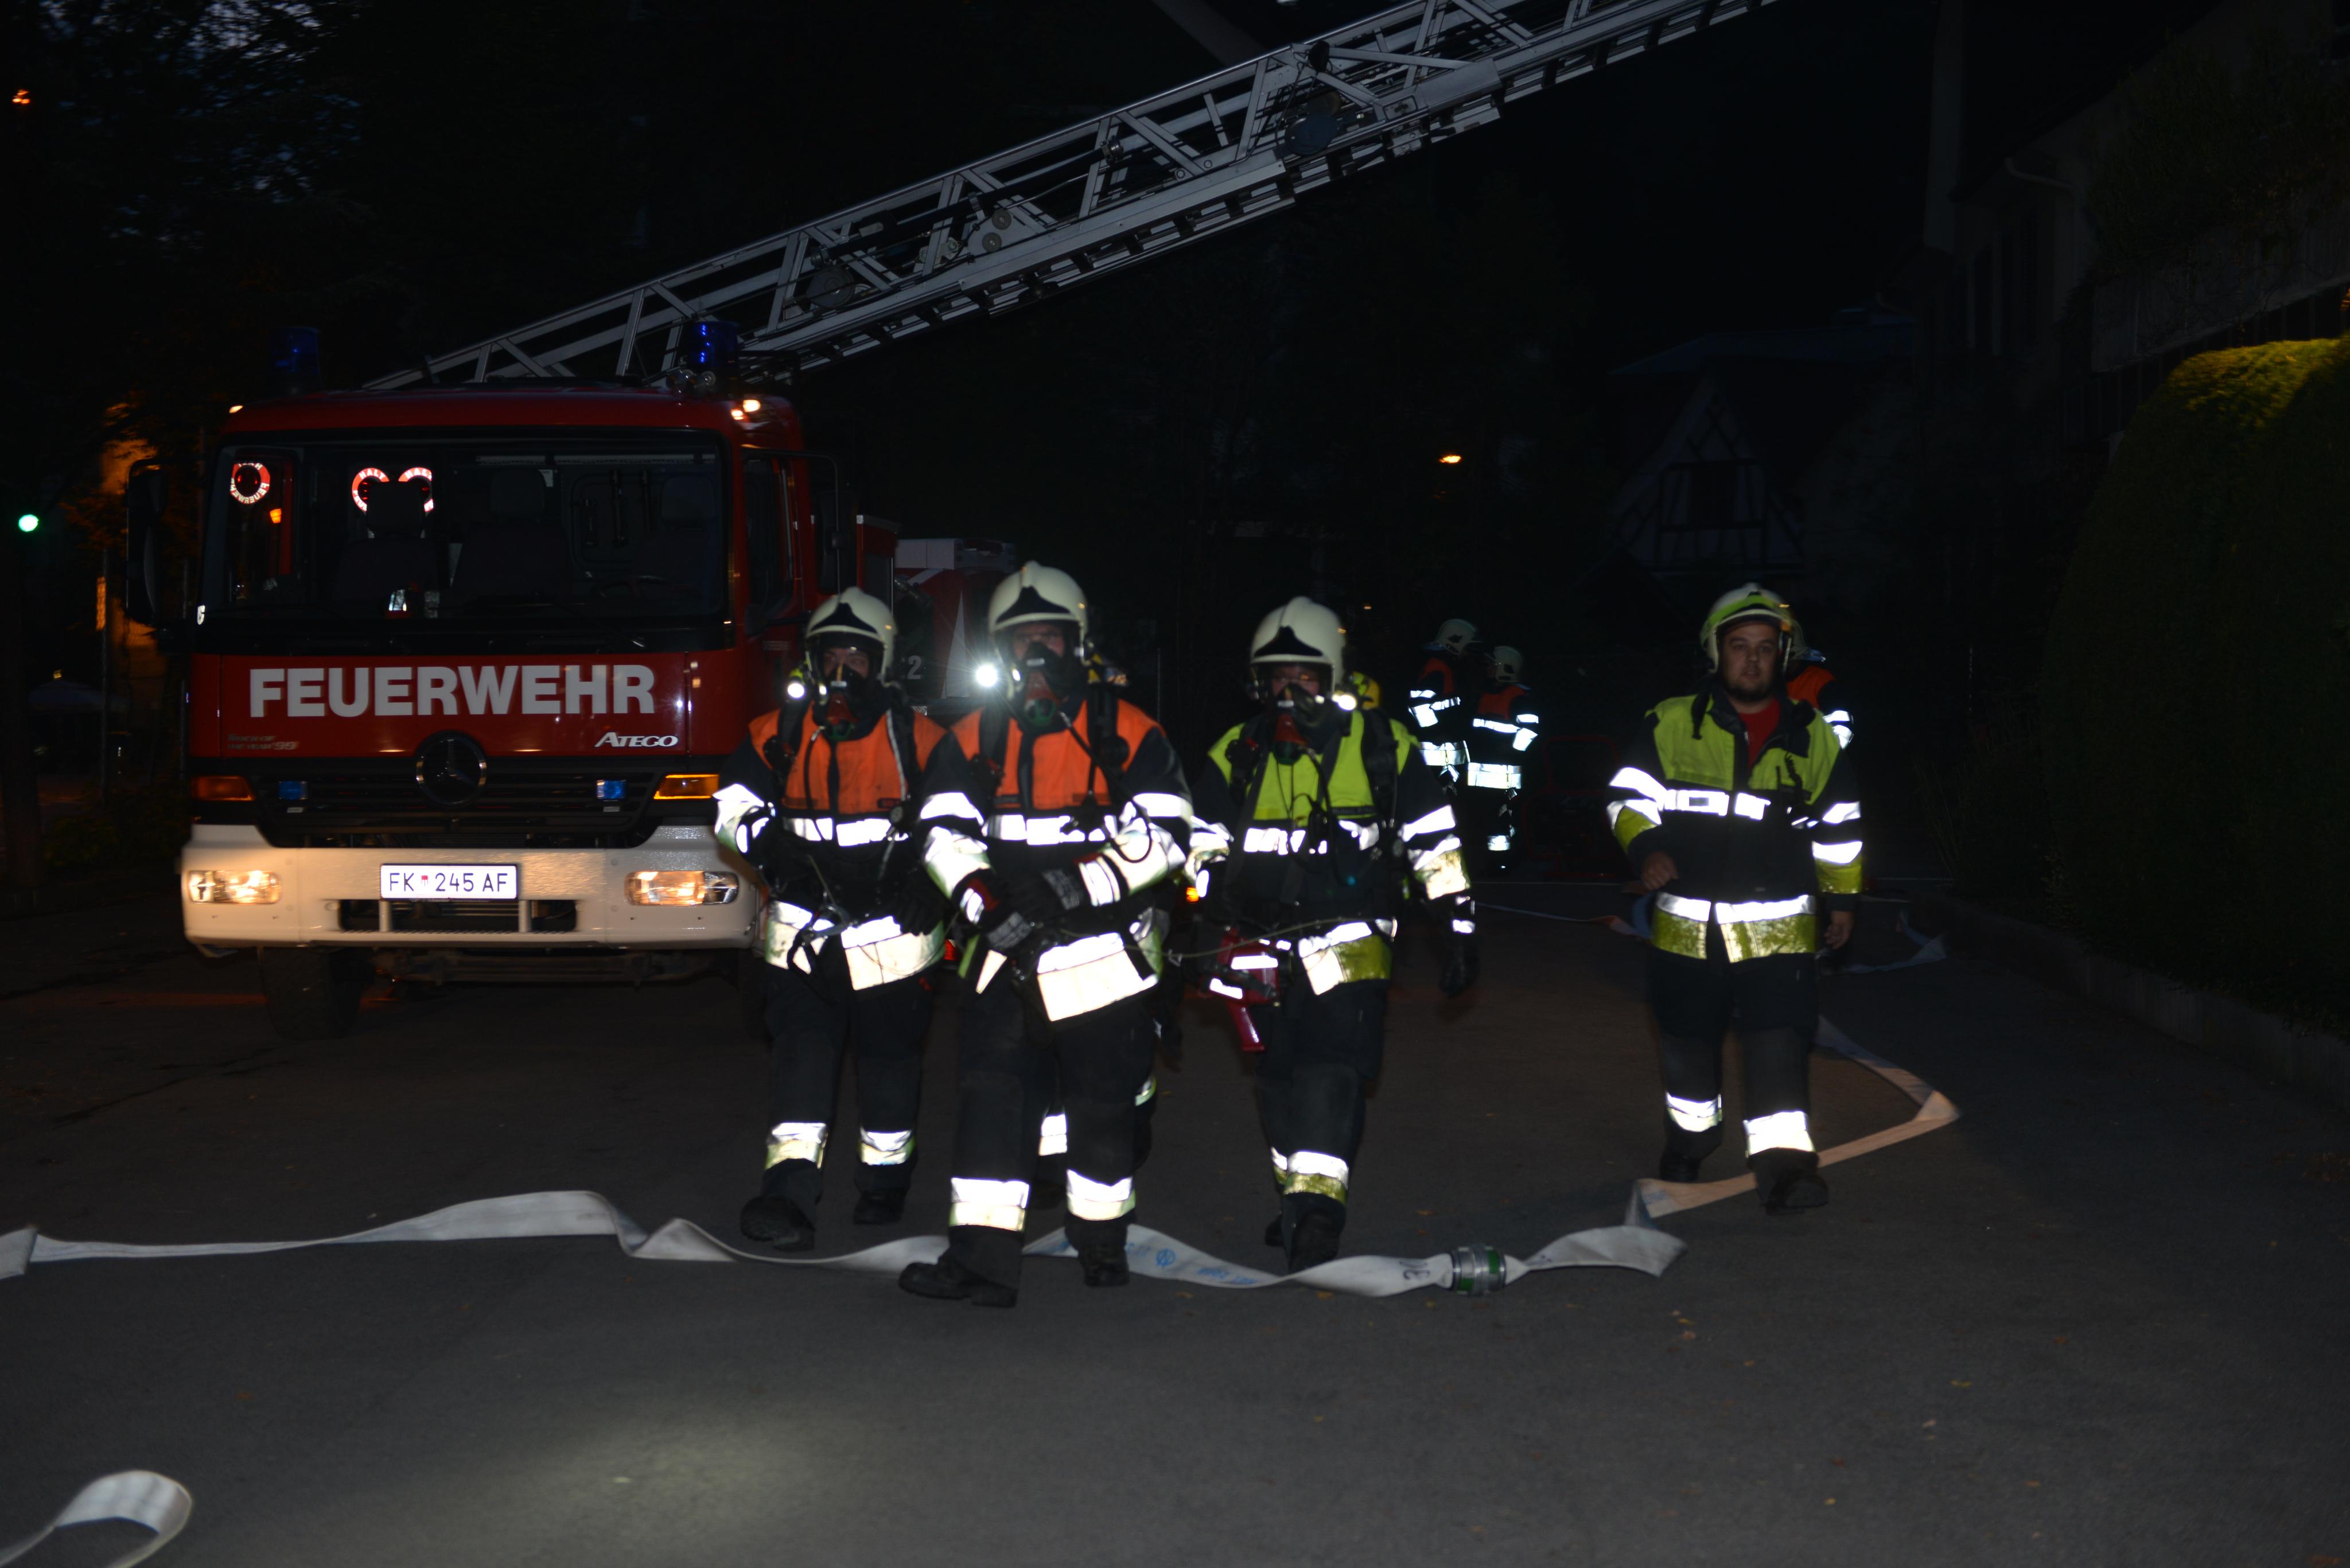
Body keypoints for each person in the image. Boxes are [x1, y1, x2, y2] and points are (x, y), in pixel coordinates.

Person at [897, 564, 1193, 1308]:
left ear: (1078, 643)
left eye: (1049, 639)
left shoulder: (1127, 731)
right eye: (1020, 640)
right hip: (1007, 955)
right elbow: (939, 833)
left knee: (1102, 1108)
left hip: (1101, 955)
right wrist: (983, 898)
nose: (1035, 655)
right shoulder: (973, 735)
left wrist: (1074, 885)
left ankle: (1102, 1244)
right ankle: (982, 1263)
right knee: (991, 1102)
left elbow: (1167, 835)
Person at [1191, 597, 1477, 1270]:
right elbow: (1197, 837)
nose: (1289, 692)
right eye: (1277, 678)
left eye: (1306, 677)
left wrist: (1457, 925)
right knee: (1277, 1078)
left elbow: (1432, 839)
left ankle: (1318, 1215)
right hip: (1257, 942)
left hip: (1350, 938)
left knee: (1331, 1068)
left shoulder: (1383, 744)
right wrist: (1211, 888)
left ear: (1335, 676)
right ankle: (1298, 1194)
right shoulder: (1237, 750)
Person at [1605, 583, 1862, 1214]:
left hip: (1778, 936)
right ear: (1715, 651)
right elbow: (1626, 797)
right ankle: (1690, 1142)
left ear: (1783, 657)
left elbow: (1840, 824)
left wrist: (1844, 901)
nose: (1752, 659)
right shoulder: (1671, 721)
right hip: (1686, 935)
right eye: (1739, 646)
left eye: (1765, 648)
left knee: (1779, 1046)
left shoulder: (1813, 735)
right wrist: (1648, 848)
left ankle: (1786, 1169)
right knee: (1687, 1048)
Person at [713, 588, 948, 1251]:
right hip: (804, 933)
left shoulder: (921, 741)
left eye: (857, 657)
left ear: (884, 663)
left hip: (894, 938)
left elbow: (961, 824)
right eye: (830, 656)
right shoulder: (777, 732)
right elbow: (729, 807)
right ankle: (787, 1195)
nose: (842, 670)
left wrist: (931, 886)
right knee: (802, 1062)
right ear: (811, 661)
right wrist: (767, 842)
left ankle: (884, 1183)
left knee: (888, 1064)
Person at [1462, 644, 1540, 871]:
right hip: (1485, 773)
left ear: (1506, 668)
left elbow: (1531, 728)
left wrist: (1513, 752)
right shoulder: (1488, 694)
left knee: (1501, 819)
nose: (1488, 669)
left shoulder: (1517, 696)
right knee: (1490, 819)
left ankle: (1503, 862)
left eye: (1492, 665)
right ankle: (1497, 860)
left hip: (1504, 774)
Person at [1403, 617, 1479, 780]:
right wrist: (1435, 733)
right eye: (1467, 648)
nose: (1467, 653)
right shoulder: (1438, 669)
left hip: (1444, 754)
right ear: (1454, 645)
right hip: (1436, 755)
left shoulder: (1446, 668)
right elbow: (1418, 704)